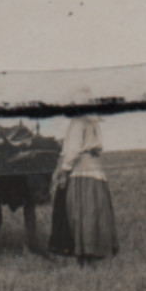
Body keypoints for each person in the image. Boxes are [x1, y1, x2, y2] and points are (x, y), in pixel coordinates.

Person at [49, 92, 119, 264]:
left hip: (81, 169)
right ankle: (94, 251)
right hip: (96, 169)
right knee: (95, 209)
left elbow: (73, 149)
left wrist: (64, 170)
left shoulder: (78, 122)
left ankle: (83, 253)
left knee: (79, 211)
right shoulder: (93, 122)